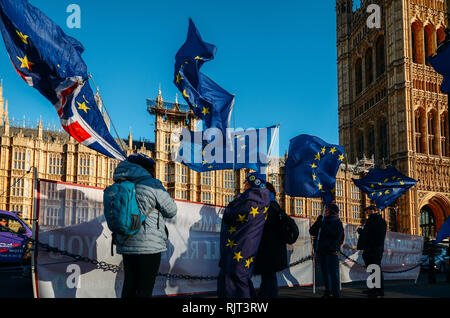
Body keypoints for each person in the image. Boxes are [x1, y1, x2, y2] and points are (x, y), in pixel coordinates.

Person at [113, 153, 177, 298]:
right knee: (145, 289)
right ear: (148, 168)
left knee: (129, 285)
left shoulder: (119, 182)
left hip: (126, 241)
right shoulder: (152, 184)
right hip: (149, 245)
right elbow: (171, 210)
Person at [217, 172, 270, 298]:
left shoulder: (250, 200)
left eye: (246, 182)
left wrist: (233, 203)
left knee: (237, 277)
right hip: (247, 243)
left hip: (240, 245)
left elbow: (231, 215)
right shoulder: (261, 199)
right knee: (240, 277)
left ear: (252, 183)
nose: (244, 185)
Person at [253, 182, 288, 298]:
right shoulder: (274, 205)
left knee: (269, 277)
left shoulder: (268, 206)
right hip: (272, 249)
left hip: (269, 249)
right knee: (268, 276)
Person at [309, 203, 345, 298]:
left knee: (334, 273)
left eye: (327, 210)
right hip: (321, 251)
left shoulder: (337, 222)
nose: (325, 211)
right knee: (325, 273)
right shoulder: (322, 221)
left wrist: (323, 226)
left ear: (332, 211)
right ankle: (327, 291)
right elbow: (311, 231)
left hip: (331, 251)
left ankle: (336, 293)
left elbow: (336, 236)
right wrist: (318, 222)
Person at [356, 205, 387, 298]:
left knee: (376, 269)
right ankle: (373, 288)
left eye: (368, 211)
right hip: (368, 249)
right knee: (372, 270)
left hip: (374, 249)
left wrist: (374, 247)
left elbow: (379, 237)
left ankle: (379, 291)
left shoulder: (380, 221)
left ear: (374, 211)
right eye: (366, 211)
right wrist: (362, 232)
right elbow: (368, 234)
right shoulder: (370, 221)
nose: (367, 213)